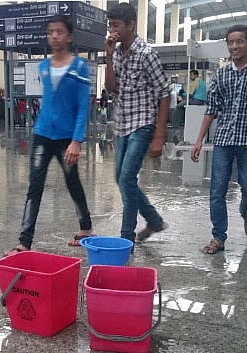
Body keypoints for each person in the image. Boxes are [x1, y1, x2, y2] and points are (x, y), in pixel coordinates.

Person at [4, 15, 95, 255]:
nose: (54, 36)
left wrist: (76, 140)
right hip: (43, 135)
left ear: (69, 36)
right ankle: (24, 241)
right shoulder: (43, 66)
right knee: (35, 186)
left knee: (72, 182)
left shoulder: (79, 67)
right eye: (50, 32)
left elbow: (82, 106)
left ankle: (86, 227)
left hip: (67, 139)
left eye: (59, 31)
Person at [190, 24, 247, 254]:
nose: (234, 46)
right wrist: (199, 140)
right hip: (224, 140)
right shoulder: (222, 73)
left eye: (239, 42)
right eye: (231, 42)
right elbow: (212, 109)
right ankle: (218, 237)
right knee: (217, 190)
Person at [105, 2, 170, 247]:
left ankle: (126, 238)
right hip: (122, 124)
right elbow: (112, 89)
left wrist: (159, 135)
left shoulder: (146, 54)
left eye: (116, 25)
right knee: (122, 180)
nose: (113, 30)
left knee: (126, 178)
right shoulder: (117, 52)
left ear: (131, 25)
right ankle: (153, 220)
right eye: (110, 25)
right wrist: (109, 56)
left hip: (143, 123)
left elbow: (165, 93)